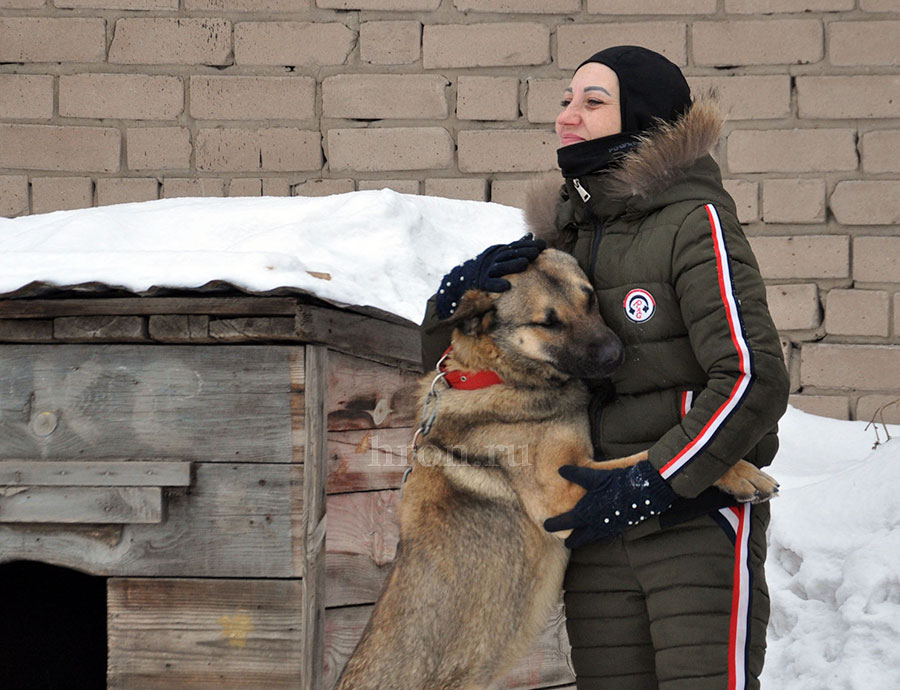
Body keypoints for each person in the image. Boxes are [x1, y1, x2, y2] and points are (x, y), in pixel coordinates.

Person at [420, 45, 790, 690]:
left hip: (690, 516)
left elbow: (752, 376)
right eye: (567, 100)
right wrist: (453, 302)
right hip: (592, 522)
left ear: (643, 122)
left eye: (593, 102)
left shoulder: (693, 223)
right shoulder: (563, 238)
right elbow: (460, 362)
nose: (568, 116)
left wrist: (660, 480)